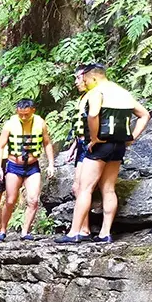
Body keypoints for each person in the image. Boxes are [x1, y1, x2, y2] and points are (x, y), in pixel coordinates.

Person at [56, 64, 150, 243]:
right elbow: (144, 114)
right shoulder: (123, 92)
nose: (83, 82)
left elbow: (93, 115)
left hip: (101, 145)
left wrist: (94, 138)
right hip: (118, 145)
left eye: (85, 79)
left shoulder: (97, 92)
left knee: (85, 188)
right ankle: (105, 233)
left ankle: (74, 232)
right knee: (108, 189)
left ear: (93, 78)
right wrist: (131, 138)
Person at [0, 99, 56, 241]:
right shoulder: (10, 124)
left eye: (26, 115)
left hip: (32, 166)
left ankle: (25, 231)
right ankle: (2, 230)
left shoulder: (40, 123)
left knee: (33, 200)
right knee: (10, 200)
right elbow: (0, 146)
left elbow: (47, 143)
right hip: (14, 165)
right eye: (20, 114)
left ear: (33, 111)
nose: (23, 117)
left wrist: (51, 164)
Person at [64, 66, 92, 238]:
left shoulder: (94, 96)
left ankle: (84, 229)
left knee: (81, 188)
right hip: (82, 144)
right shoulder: (83, 98)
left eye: (78, 78)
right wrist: (73, 147)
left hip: (90, 145)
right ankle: (84, 227)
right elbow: (81, 126)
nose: (76, 82)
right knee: (78, 188)